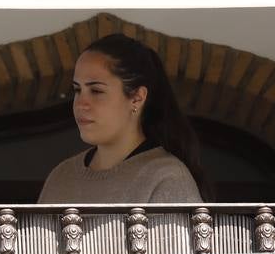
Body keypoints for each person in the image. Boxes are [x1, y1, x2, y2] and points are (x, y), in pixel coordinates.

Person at [39, 33, 204, 204]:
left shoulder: (167, 179)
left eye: (96, 91)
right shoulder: (61, 177)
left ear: (137, 98)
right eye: (77, 90)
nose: (81, 104)